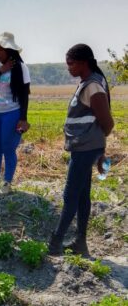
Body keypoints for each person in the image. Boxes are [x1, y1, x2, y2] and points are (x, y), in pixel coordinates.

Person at [49, 44, 114, 256]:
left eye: (71, 63)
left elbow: (107, 122)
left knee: (71, 195)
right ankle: (80, 244)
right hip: (87, 147)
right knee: (83, 195)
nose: (68, 67)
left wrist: (97, 144)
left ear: (83, 63)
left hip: (86, 148)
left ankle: (55, 243)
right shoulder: (89, 82)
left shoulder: (92, 86)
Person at [0, 32, 31, 194]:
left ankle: (7, 183)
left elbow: (25, 94)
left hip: (12, 113)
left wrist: (23, 118)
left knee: (8, 148)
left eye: (2, 49)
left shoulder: (21, 67)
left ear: (10, 50)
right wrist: (1, 71)